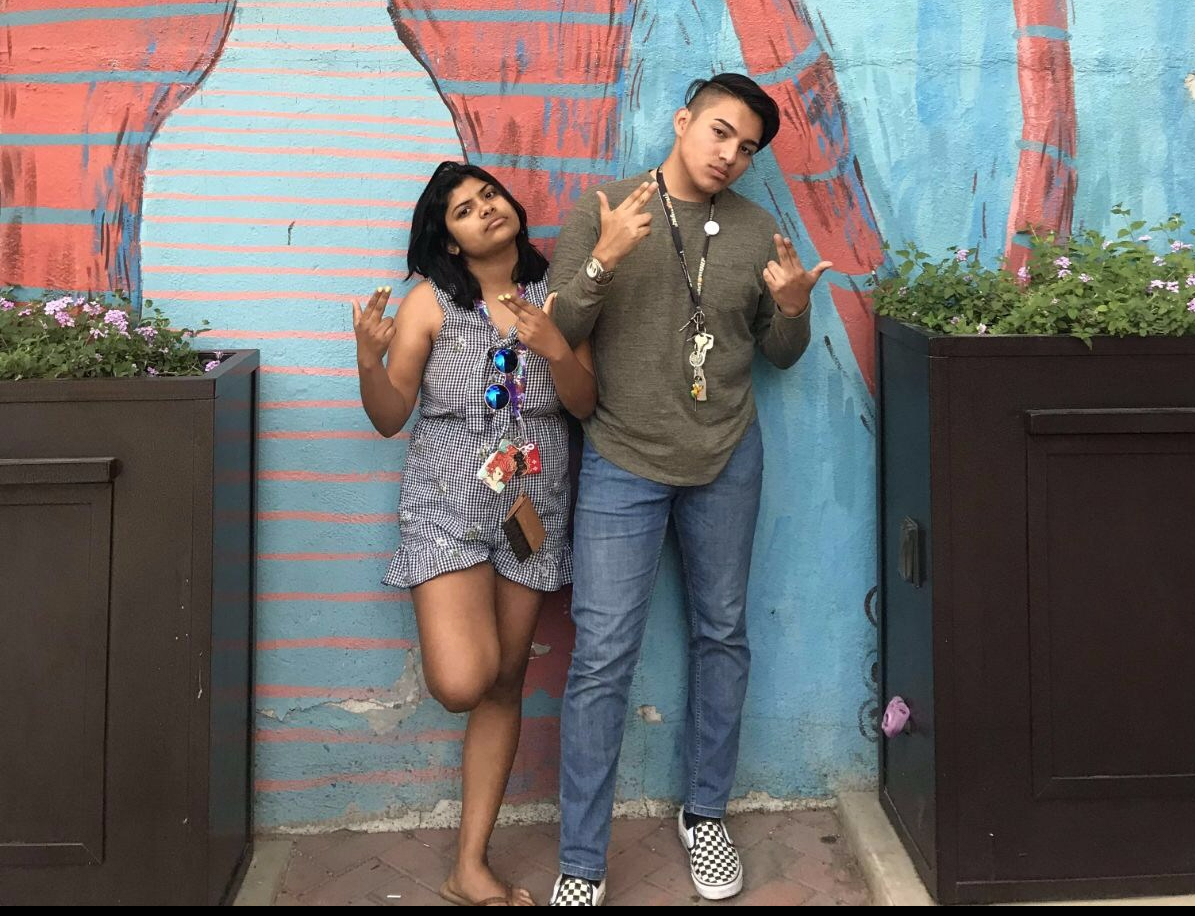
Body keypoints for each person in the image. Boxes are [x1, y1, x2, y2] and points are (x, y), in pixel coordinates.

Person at [546, 74, 833, 906]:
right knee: (601, 656)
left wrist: (792, 311)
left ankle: (704, 815)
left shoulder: (754, 229)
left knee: (722, 635)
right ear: (681, 121)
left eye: (746, 148)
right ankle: (580, 860)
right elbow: (556, 332)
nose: (729, 155)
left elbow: (779, 354)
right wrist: (602, 260)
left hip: (726, 455)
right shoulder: (605, 207)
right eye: (719, 132)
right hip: (622, 456)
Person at [353, 160, 595, 907]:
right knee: (466, 681)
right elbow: (390, 416)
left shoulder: (559, 295)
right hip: (447, 508)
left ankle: (470, 867)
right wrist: (368, 360)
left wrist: (555, 346)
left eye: (489, 195)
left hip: (532, 509)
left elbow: (584, 404)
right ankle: (469, 863)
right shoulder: (429, 303)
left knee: (506, 683)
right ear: (450, 241)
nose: (486, 208)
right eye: (463, 209)